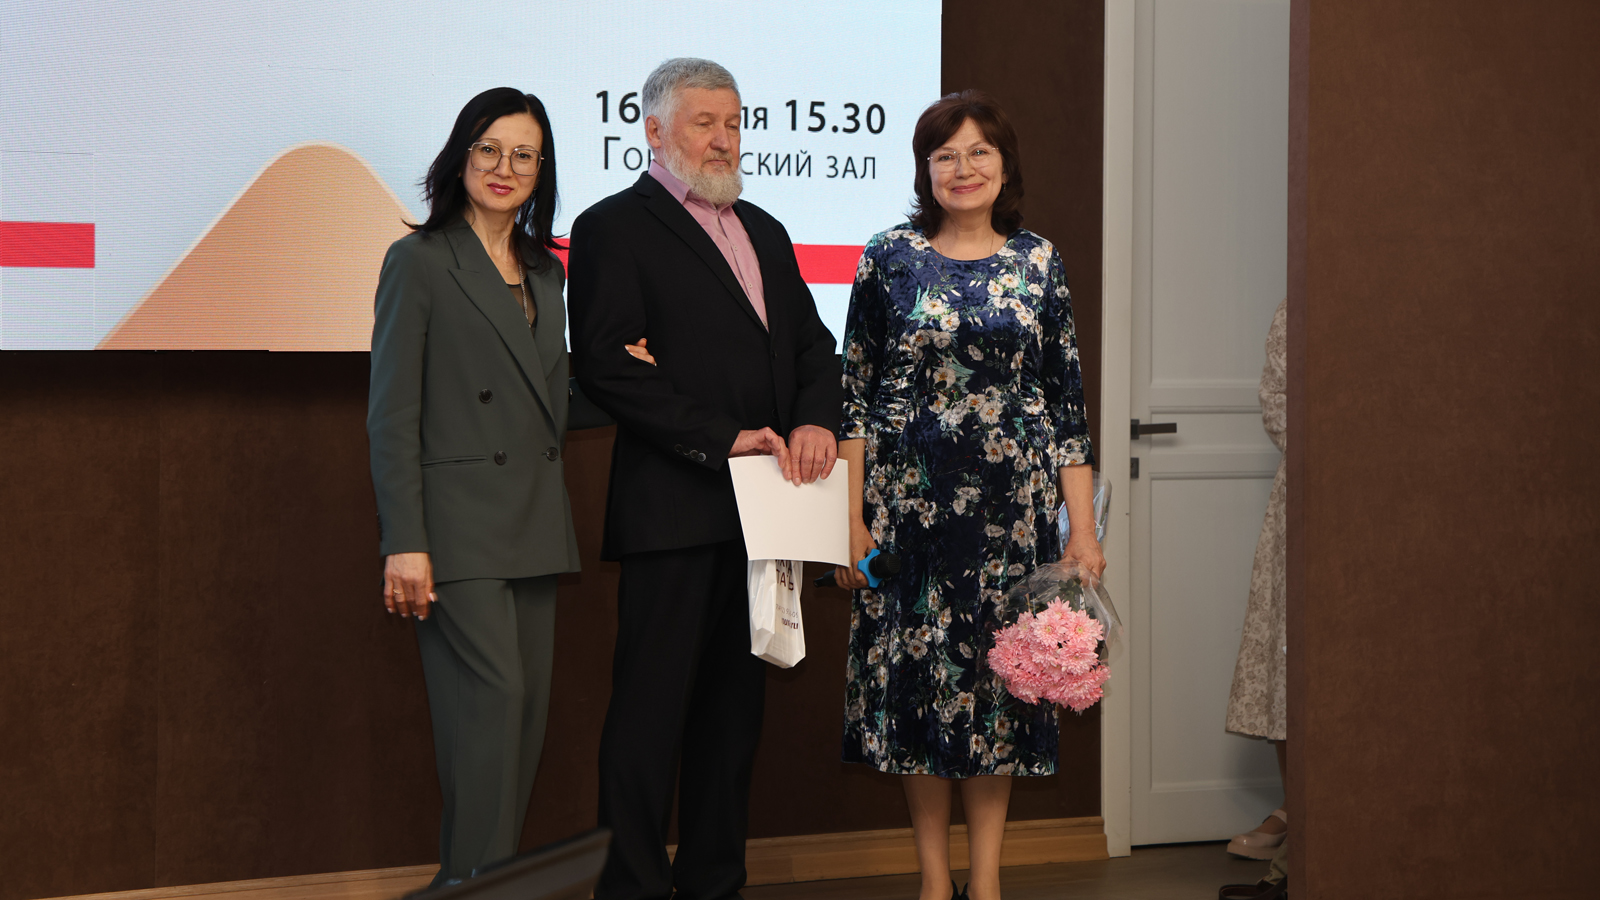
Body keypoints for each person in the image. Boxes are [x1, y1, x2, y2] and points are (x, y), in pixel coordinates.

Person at [567, 58, 841, 900]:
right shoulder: (612, 226)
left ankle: (716, 883)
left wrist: (816, 420)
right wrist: (723, 438)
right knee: (649, 720)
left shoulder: (765, 228)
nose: (724, 139)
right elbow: (609, 364)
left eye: (733, 123)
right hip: (673, 512)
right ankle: (632, 887)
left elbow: (813, 347)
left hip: (766, 516)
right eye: (703, 123)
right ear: (655, 131)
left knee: (733, 720)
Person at [831, 90, 1104, 900]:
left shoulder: (1039, 261)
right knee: (918, 690)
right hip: (907, 519)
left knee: (999, 694)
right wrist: (850, 521)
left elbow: (1066, 409)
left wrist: (1082, 532)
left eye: (979, 151)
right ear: (924, 170)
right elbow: (854, 401)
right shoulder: (888, 257)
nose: (963, 167)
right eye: (944, 154)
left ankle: (985, 883)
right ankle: (932, 880)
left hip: (1014, 521)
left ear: (1005, 165)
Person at [366, 87, 617, 884]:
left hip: (534, 523)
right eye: (489, 149)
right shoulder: (417, 261)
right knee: (491, 707)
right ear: (460, 157)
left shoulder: (546, 271)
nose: (504, 167)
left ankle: (477, 882)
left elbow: (546, 404)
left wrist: (626, 379)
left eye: (524, 155)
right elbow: (391, 416)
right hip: (455, 530)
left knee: (522, 722)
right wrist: (404, 541)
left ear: (542, 171)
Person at [1223, 298, 1290, 863]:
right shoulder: (1300, 308)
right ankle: (1300, 809)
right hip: (1311, 495)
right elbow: (1278, 404)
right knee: (1286, 658)